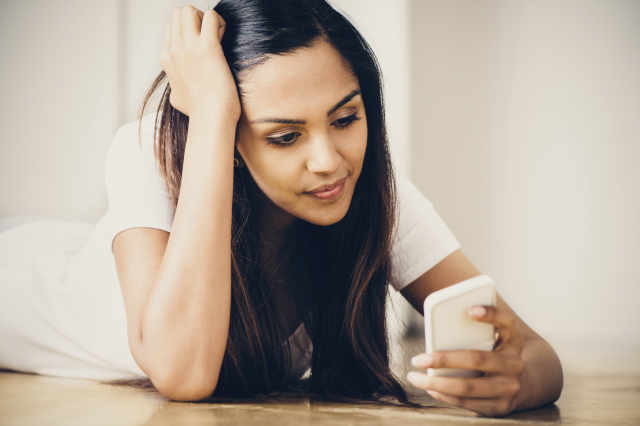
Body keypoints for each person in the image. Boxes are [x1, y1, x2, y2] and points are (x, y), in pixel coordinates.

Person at [0, 0, 563, 417]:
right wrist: (215, 117)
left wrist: (517, 380)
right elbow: (184, 371)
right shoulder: (149, 149)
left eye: (345, 119)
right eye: (284, 136)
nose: (328, 161)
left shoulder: (363, 189)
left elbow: (539, 354)